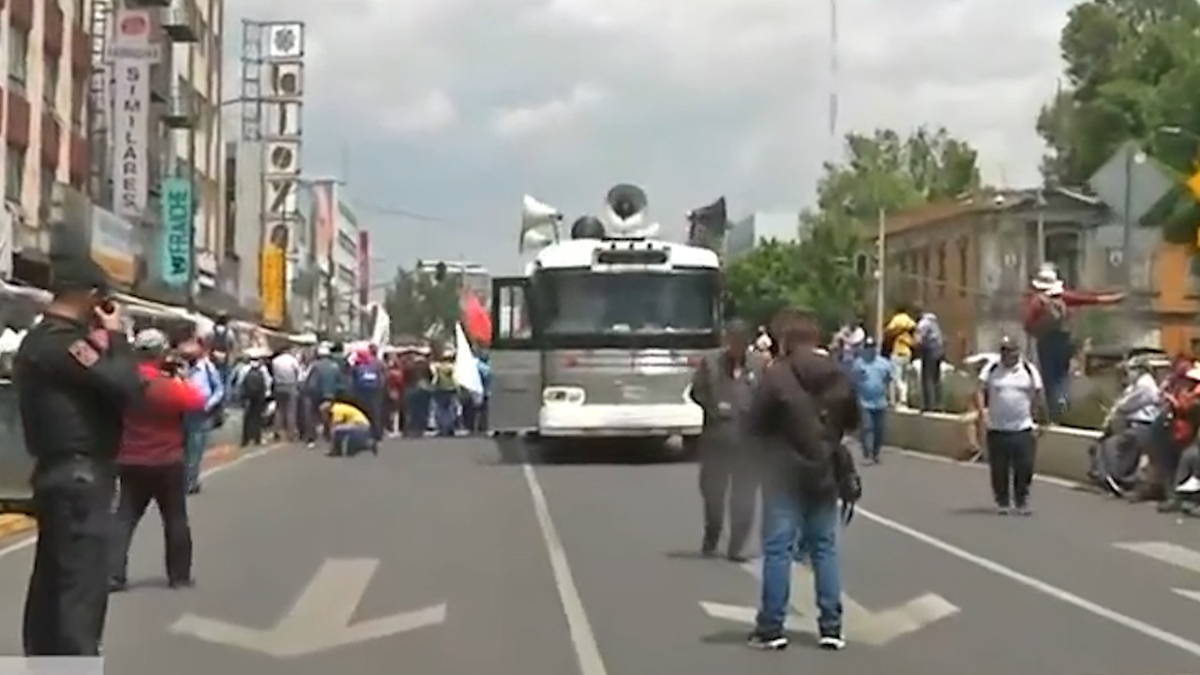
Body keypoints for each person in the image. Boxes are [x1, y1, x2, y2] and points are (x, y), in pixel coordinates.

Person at [14, 256, 142, 656]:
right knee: (79, 594)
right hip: (80, 477)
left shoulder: (39, 340)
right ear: (90, 296)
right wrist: (117, 337)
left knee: (53, 587)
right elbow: (127, 386)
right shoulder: (64, 344)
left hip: (60, 475)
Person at [746, 307, 859, 651]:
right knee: (824, 549)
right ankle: (831, 627)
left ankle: (771, 627)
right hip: (824, 475)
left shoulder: (776, 376)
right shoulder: (837, 373)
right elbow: (853, 420)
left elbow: (755, 423)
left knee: (778, 550)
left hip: (783, 475)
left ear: (785, 340)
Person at [110, 329, 205, 591]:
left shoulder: (124, 384)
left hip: (131, 459)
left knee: (124, 517)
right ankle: (179, 576)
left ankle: (113, 574)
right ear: (162, 353)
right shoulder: (168, 386)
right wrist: (180, 378)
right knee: (175, 518)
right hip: (167, 460)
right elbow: (197, 402)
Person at [690, 319, 765, 562]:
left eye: (741, 343)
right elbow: (696, 391)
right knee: (713, 493)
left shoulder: (758, 365)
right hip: (717, 438)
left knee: (744, 495)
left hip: (747, 442)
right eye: (732, 342)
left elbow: (767, 396)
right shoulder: (710, 363)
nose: (736, 348)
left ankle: (737, 546)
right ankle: (712, 534)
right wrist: (715, 408)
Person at [974, 336, 1047, 515]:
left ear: (1017, 352)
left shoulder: (1028, 370)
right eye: (1004, 351)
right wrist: (982, 412)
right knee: (999, 469)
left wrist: (1041, 419)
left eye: (1011, 351)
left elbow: (1038, 394)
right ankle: (1003, 501)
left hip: (1023, 427)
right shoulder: (992, 369)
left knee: (1025, 466)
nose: (1007, 355)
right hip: (997, 428)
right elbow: (979, 389)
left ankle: (1021, 501)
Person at [180, 335, 225, 495]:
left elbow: (219, 389)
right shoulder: (182, 368)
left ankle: (191, 481)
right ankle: (183, 480)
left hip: (200, 414)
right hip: (182, 412)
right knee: (182, 450)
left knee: (195, 449)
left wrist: (209, 404)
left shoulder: (207, 368)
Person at [851, 337, 891, 464]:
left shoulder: (884, 363)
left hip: (880, 402)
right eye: (867, 347)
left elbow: (888, 379)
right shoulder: (858, 364)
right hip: (864, 401)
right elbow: (854, 381)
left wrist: (890, 396)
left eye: (872, 347)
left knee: (879, 429)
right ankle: (867, 454)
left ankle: (875, 453)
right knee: (867, 427)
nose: (870, 350)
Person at [236, 348, 272, 446]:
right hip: (259, 395)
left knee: (247, 416)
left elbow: (240, 382)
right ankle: (257, 438)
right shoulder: (263, 369)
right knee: (258, 416)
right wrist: (267, 392)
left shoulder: (244, 369)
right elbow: (268, 381)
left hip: (248, 395)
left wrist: (240, 393)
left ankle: (245, 439)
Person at [882, 305, 917, 407]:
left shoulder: (897, 319)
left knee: (896, 377)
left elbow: (888, 330)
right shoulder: (909, 323)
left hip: (898, 352)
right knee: (904, 378)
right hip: (907, 353)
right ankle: (904, 399)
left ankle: (898, 399)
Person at [914, 311, 944, 411]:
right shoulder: (934, 323)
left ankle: (929, 405)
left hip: (929, 352)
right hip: (939, 351)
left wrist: (916, 348)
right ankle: (938, 404)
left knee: (927, 378)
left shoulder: (923, 323)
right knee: (936, 378)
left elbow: (918, 339)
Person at [271, 346, 302, 441]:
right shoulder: (292, 360)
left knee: (279, 410)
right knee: (291, 411)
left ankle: (277, 432)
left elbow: (273, 373)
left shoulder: (275, 361)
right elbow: (298, 372)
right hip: (290, 385)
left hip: (278, 386)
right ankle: (291, 433)